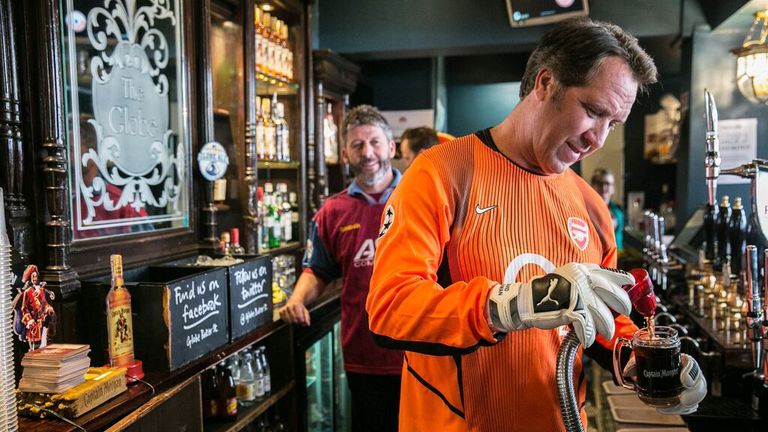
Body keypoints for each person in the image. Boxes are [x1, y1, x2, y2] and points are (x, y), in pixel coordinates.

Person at [367, 18, 706, 432]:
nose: (597, 139)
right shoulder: (442, 172)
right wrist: (506, 305)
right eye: (593, 111)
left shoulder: (591, 205)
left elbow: (606, 320)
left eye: (613, 124)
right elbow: (390, 308)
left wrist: (643, 360)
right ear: (545, 84)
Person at [279, 105, 403, 432]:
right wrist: (296, 301)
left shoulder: (418, 197)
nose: (368, 153)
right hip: (365, 354)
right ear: (345, 154)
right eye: (358, 145)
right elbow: (317, 270)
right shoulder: (332, 211)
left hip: (422, 351)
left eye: (375, 142)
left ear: (391, 147)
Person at [13, 264, 56, 350]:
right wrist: (29, 320)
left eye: (36, 276)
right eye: (33, 276)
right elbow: (24, 308)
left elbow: (44, 303)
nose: (34, 278)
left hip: (42, 322)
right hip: (33, 324)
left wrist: (48, 309)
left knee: (45, 344)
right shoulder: (27, 292)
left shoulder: (40, 290)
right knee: (34, 347)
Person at [591, 168, 624, 250]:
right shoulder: (586, 210)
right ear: (592, 186)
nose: (604, 187)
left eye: (607, 184)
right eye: (599, 183)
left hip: (617, 255)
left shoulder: (617, 211)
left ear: (613, 188)